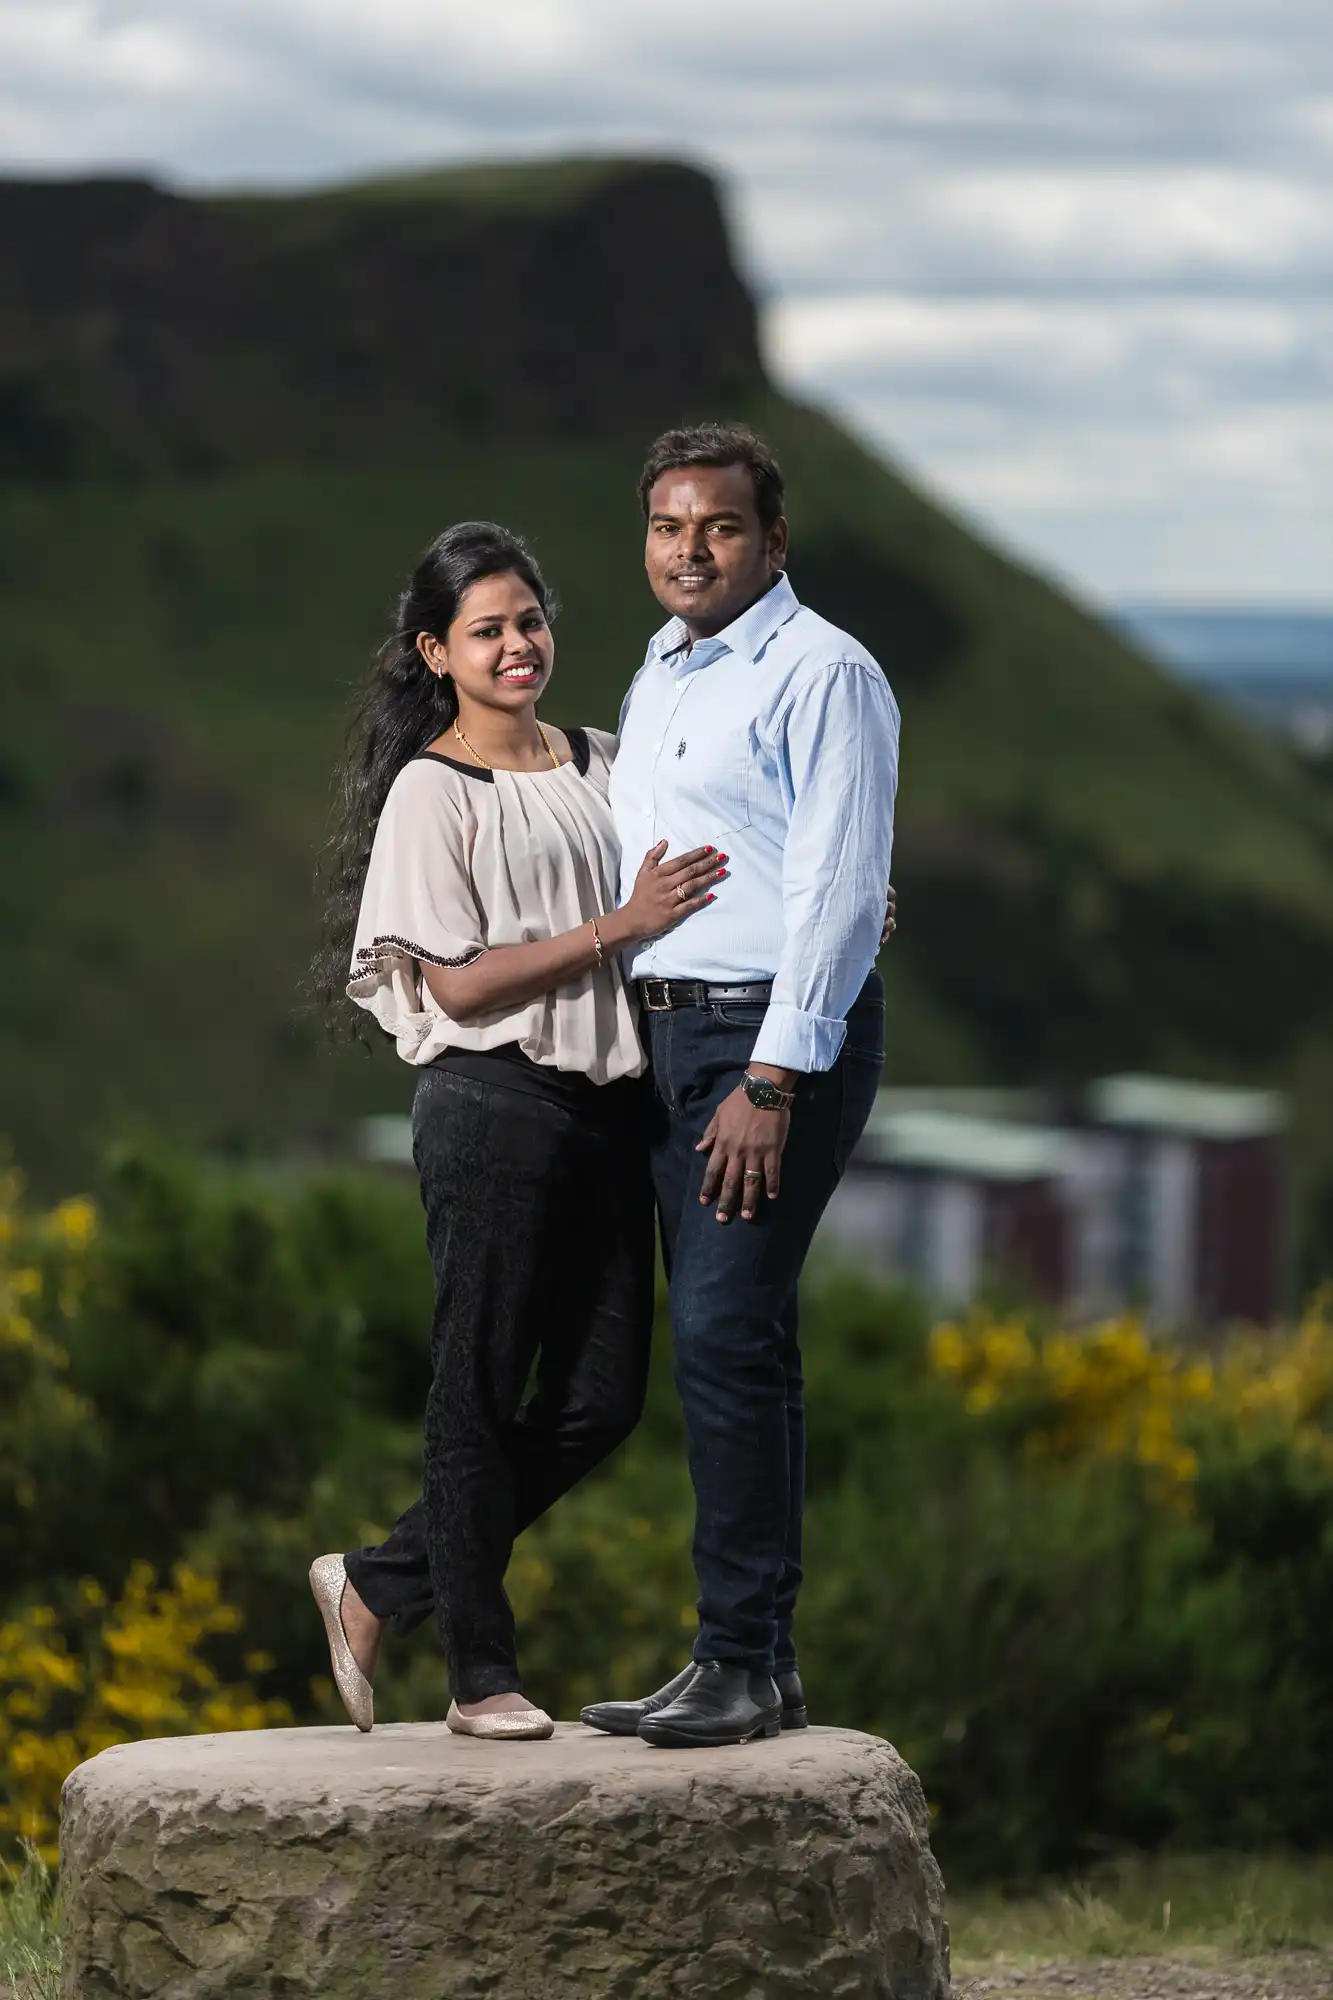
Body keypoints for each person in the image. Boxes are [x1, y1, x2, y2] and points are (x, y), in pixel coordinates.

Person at [307, 521, 726, 1740]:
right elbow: (457, 984)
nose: (516, 645)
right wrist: (617, 925)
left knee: (600, 1402)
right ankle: (479, 1673)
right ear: (437, 652)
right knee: (478, 1387)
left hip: (611, 1110)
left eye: (528, 620)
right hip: (493, 1103)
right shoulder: (433, 792)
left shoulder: (603, 755)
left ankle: (380, 1583)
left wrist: (833, 900)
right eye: (485, 630)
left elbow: (693, 876)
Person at [580, 422, 900, 1748]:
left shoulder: (824, 671)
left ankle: (746, 1659)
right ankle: (737, 1660)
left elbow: (832, 879)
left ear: (772, 541)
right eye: (668, 526)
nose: (689, 549)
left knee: (726, 1336)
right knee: (713, 1345)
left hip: (758, 1049)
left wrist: (773, 1071)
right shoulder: (662, 671)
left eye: (717, 526)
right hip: (653, 1044)